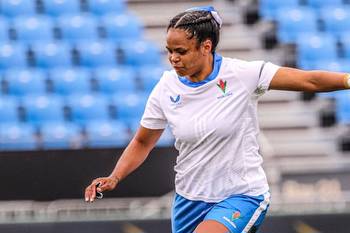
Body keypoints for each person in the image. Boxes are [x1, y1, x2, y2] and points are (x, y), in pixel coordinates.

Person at [85, 6, 350, 233]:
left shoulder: (243, 74)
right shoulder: (165, 88)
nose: (173, 58)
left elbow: (309, 80)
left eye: (181, 51)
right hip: (189, 200)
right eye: (169, 51)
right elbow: (143, 142)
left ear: (206, 47)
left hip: (242, 195)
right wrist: (115, 177)